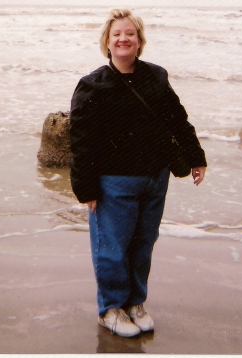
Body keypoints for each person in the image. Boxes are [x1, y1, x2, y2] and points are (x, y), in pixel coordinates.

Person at [69, 9, 207, 338]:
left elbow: (177, 119)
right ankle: (110, 309)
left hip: (155, 178)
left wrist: (196, 157)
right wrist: (85, 187)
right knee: (113, 248)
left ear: (140, 41)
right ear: (106, 41)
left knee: (143, 245)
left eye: (130, 33)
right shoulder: (92, 85)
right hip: (113, 183)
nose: (123, 38)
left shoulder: (156, 77)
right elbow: (81, 141)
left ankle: (135, 303)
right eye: (116, 34)